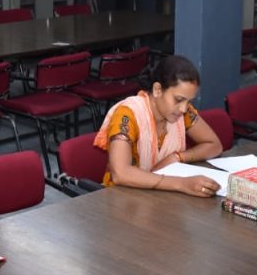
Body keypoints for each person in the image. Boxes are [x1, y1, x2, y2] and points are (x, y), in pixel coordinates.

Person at [93, 55, 224, 197]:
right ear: (157, 90)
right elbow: (120, 173)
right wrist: (181, 184)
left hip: (159, 196)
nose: (184, 109)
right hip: (122, 199)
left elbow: (214, 145)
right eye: (179, 99)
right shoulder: (128, 115)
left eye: (188, 101)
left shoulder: (181, 111)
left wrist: (178, 157)